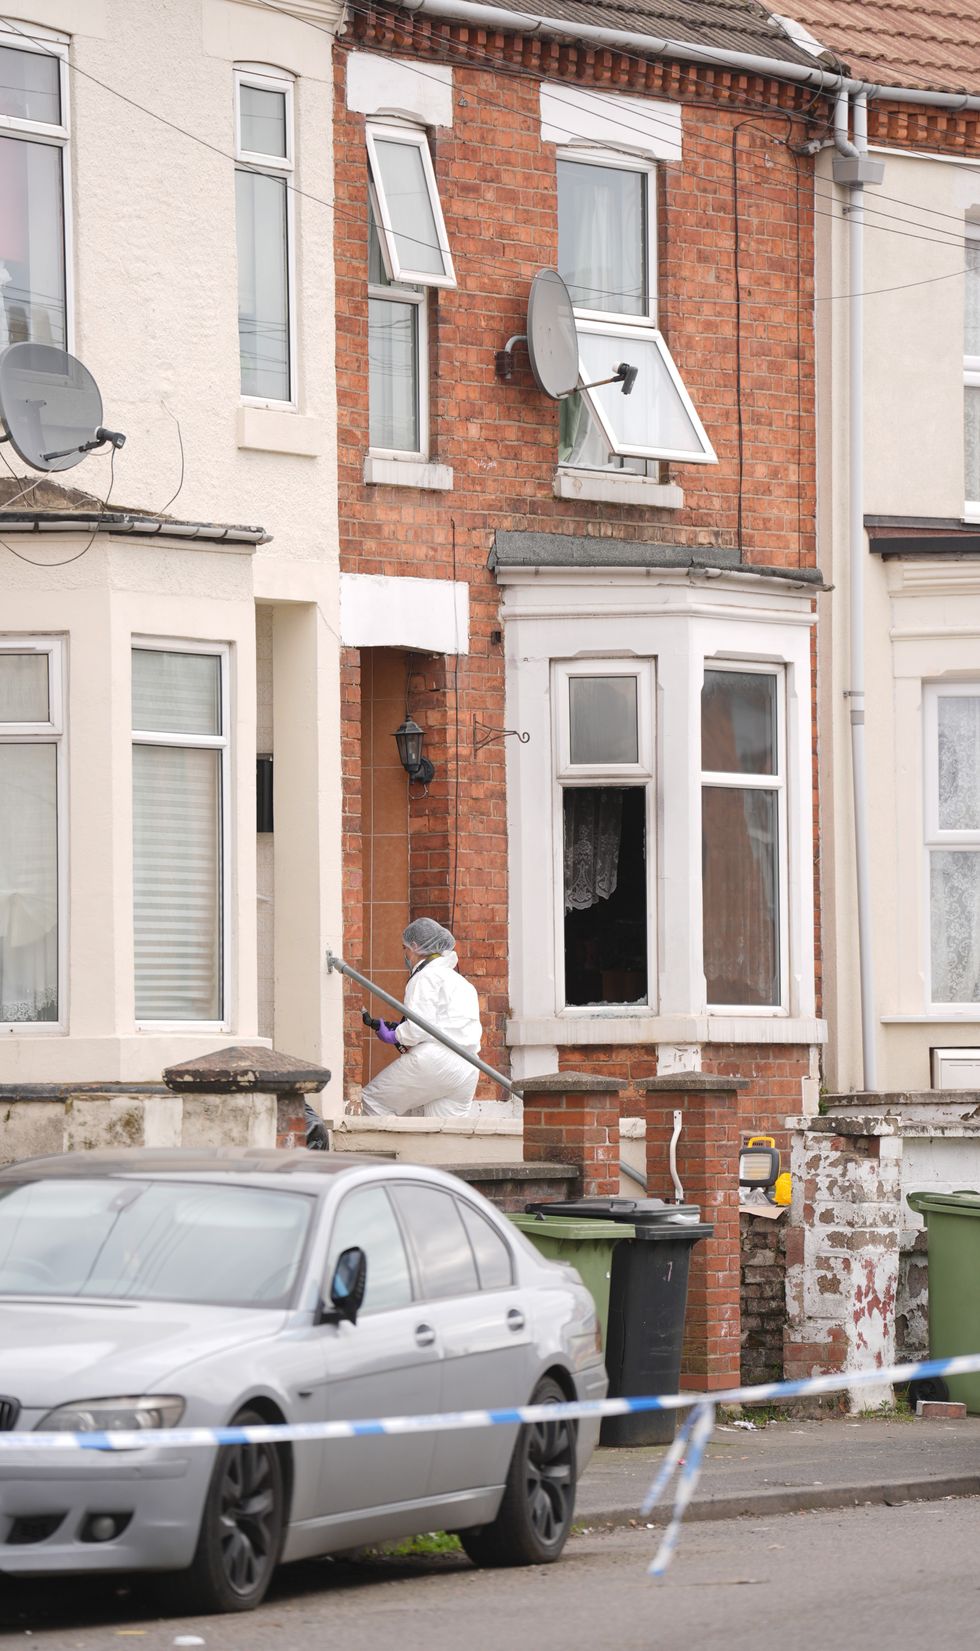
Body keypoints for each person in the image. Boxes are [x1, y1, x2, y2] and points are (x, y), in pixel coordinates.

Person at [360, 919, 482, 1118]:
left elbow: (418, 1028)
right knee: (443, 1132)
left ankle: (391, 1149)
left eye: (405, 949)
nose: (406, 955)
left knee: (374, 1101)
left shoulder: (424, 977)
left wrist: (394, 1035)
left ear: (415, 947)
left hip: (436, 1061)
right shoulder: (461, 982)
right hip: (468, 1066)